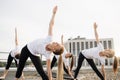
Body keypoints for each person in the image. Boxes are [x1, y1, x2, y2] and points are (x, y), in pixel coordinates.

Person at [14, 6, 64, 80]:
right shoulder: (49, 39)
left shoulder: (48, 55)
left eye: (57, 45)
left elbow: (48, 70)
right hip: (27, 49)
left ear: (54, 50)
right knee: (20, 68)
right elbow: (51, 25)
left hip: (34, 54)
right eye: (57, 43)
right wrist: (54, 14)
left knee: (41, 72)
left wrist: (50, 78)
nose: (56, 42)